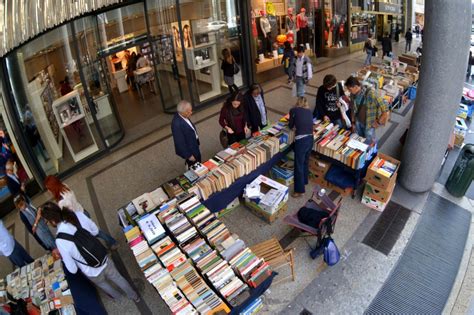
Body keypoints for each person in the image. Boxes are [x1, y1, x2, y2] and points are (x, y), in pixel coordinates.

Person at [39, 202, 140, 302]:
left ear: (52, 221)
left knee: (104, 284)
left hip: (90, 271)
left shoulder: (60, 240)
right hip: (102, 257)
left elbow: (72, 269)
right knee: (118, 278)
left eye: (46, 221)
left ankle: (118, 298)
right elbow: (95, 231)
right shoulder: (76, 215)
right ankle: (134, 296)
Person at [42, 175, 118, 250]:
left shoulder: (62, 201)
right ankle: (110, 243)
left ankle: (112, 243)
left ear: (53, 187)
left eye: (49, 188)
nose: (48, 191)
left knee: (95, 234)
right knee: (95, 232)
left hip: (80, 220)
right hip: (82, 211)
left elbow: (69, 214)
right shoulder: (64, 186)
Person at [345, 76, 389, 144]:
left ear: (356, 87)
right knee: (360, 140)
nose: (349, 91)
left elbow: (385, 110)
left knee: (370, 142)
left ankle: (372, 153)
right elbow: (352, 109)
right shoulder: (352, 95)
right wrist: (353, 122)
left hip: (369, 124)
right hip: (358, 122)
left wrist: (378, 122)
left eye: (350, 89)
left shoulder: (371, 93)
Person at [289, 97, 314, 198]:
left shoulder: (293, 110)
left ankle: (299, 191)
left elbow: (290, 126)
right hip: (310, 139)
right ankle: (304, 181)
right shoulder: (309, 111)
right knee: (305, 161)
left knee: (298, 165)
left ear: (297, 103)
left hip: (301, 141)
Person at [171, 100, 201, 168]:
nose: (191, 112)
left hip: (194, 145)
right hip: (190, 150)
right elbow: (179, 142)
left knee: (198, 163)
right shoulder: (176, 124)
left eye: (191, 110)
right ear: (182, 112)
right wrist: (189, 155)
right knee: (194, 167)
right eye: (189, 111)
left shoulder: (184, 116)